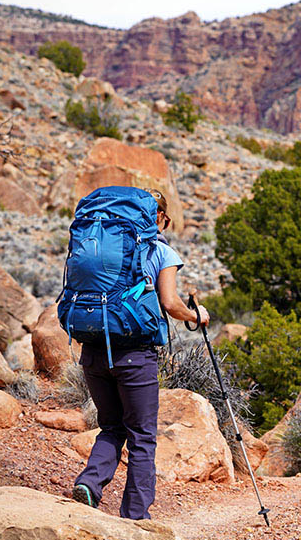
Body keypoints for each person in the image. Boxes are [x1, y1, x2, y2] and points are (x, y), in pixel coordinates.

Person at [71, 188, 208, 519]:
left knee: (111, 426)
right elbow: (170, 303)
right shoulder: (161, 251)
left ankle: (90, 484)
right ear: (158, 217)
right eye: (166, 218)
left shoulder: (94, 244)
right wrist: (197, 315)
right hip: (135, 355)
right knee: (142, 436)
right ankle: (135, 516)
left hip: (93, 349)